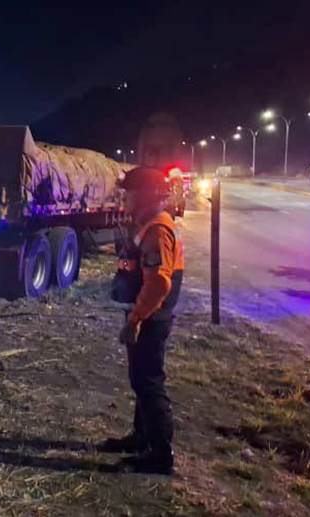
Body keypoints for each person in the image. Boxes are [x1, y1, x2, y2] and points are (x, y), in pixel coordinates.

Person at [104, 166, 184, 475]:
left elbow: (160, 283)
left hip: (151, 317)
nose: (125, 198)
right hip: (146, 313)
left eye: (130, 193)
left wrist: (135, 319)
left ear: (147, 195)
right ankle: (142, 438)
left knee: (148, 382)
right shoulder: (147, 224)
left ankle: (160, 455)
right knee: (141, 378)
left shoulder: (157, 229)